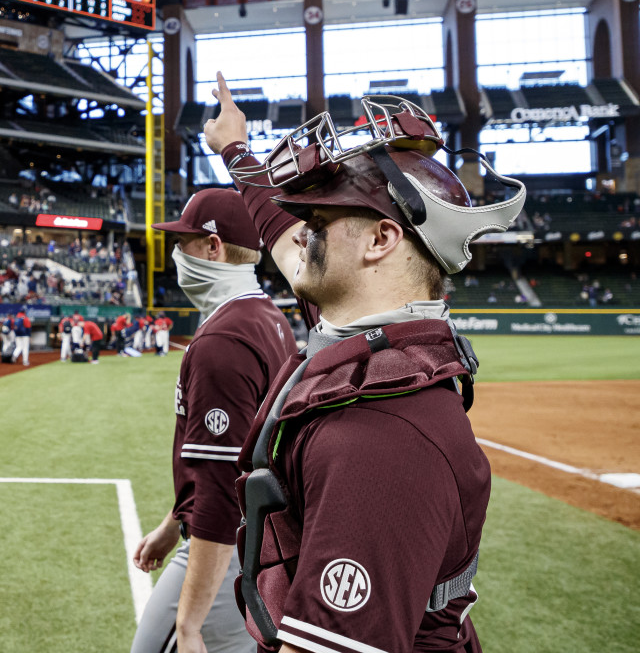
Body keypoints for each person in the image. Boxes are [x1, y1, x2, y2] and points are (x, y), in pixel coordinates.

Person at [203, 74, 525, 653]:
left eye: (319, 223)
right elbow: (278, 231)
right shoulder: (365, 340)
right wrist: (233, 148)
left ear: (380, 239)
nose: (300, 235)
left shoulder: (381, 437)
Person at [131, 188, 298, 653]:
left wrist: (189, 623)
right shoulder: (267, 316)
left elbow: (224, 487)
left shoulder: (223, 338)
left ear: (212, 246)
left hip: (230, 549)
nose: (175, 252)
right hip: (261, 544)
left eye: (183, 241)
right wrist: (173, 523)